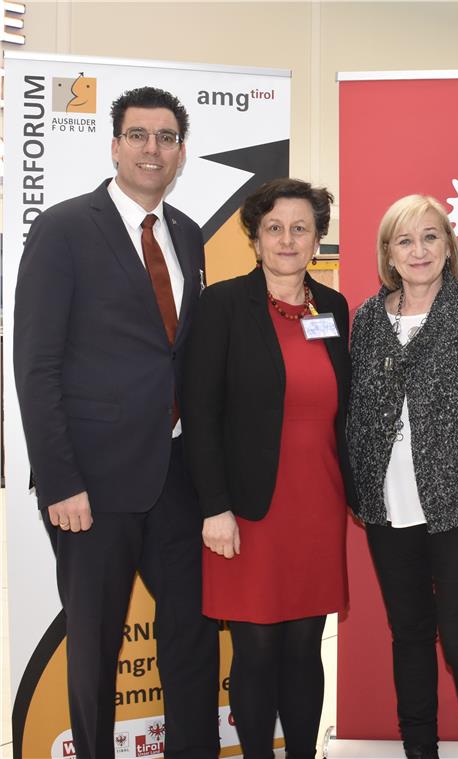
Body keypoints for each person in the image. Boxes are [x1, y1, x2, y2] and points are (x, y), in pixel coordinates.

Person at [12, 86, 219, 758]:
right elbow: (35, 365)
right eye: (138, 135)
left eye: (166, 137)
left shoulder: (187, 233)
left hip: (177, 478)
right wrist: (60, 481)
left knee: (192, 633)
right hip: (92, 487)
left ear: (181, 152)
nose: (152, 149)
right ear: (114, 146)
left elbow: (180, 355)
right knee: (96, 645)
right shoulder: (65, 228)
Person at [347, 194, 458, 759]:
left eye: (429, 237)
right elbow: (357, 409)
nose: (418, 250)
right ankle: (418, 748)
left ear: (448, 246)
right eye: (404, 240)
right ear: (388, 253)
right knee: (409, 636)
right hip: (387, 508)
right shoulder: (368, 319)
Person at [181, 178, 352, 759]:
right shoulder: (223, 305)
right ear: (255, 238)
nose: (287, 239)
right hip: (249, 509)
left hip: (318, 503)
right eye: (274, 228)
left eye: (300, 228)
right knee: (254, 650)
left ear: (317, 239)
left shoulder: (332, 307)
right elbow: (200, 413)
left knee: (305, 649)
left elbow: (344, 408)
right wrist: (214, 507)